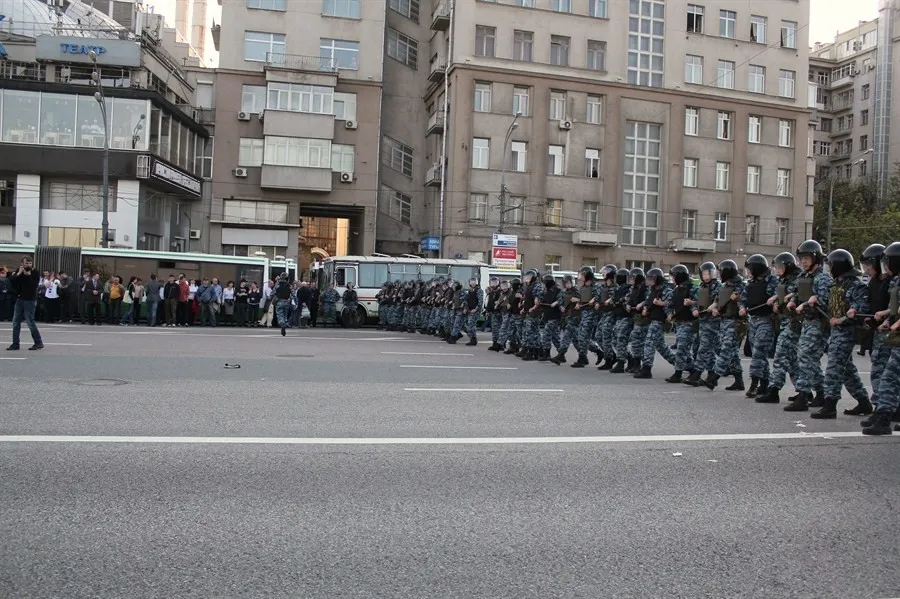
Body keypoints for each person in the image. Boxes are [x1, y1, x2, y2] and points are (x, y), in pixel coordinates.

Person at [7, 256, 43, 351]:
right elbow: (11, 280)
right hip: (20, 299)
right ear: (22, 264)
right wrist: (18, 274)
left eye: (30, 263)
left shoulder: (35, 272)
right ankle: (15, 343)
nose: (28, 265)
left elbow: (34, 286)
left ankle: (38, 342)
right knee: (15, 322)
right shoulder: (19, 270)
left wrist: (28, 275)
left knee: (30, 321)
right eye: (26, 263)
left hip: (30, 300)